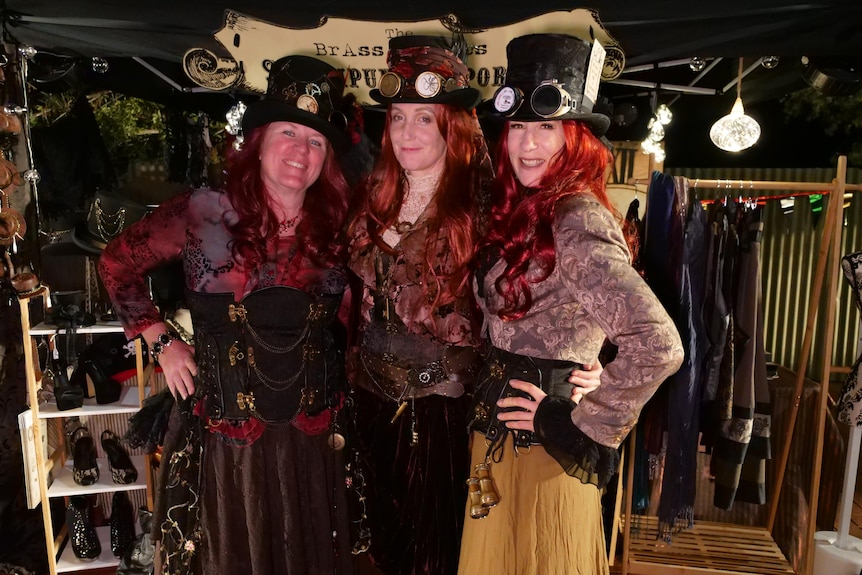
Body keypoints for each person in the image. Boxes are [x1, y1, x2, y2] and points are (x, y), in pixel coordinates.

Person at [346, 36, 604, 575]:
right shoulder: (372, 195)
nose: (407, 133)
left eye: (425, 118)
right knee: (379, 553)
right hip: (369, 404)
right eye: (397, 118)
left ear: (452, 123)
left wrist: (593, 362)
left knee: (440, 556)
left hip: (449, 413)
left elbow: (576, 286)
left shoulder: (489, 203)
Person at [100, 55, 358, 575]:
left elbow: (351, 317)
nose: (299, 151)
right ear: (259, 140)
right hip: (226, 440)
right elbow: (115, 263)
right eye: (288, 132)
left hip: (310, 435)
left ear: (326, 157)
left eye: (315, 141)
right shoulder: (205, 211)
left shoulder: (339, 224)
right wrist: (161, 342)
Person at [459, 34, 684, 575]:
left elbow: (659, 345)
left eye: (546, 127)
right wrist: (595, 368)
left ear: (575, 138)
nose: (528, 144)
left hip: (544, 452)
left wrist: (579, 420)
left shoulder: (576, 216)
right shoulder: (525, 208)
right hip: (500, 441)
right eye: (518, 128)